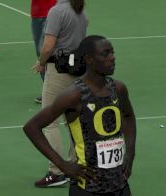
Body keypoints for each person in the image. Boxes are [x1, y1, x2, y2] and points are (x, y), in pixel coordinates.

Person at [24, 35, 136, 196]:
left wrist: (130, 154)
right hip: (87, 187)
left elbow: (128, 116)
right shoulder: (73, 96)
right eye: (105, 54)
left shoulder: (118, 88)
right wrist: (63, 165)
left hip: (119, 184)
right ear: (89, 59)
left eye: (112, 52)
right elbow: (32, 127)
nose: (112, 58)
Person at [31, 0, 88, 187]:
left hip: (58, 70)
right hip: (78, 71)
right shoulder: (80, 11)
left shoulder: (57, 11)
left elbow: (48, 47)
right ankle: (77, 165)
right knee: (74, 120)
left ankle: (56, 171)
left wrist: (41, 62)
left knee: (49, 121)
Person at [31, 0, 57, 104]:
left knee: (45, 51)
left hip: (50, 13)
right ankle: (50, 90)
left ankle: (52, 92)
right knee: (41, 52)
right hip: (38, 14)